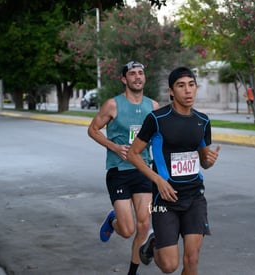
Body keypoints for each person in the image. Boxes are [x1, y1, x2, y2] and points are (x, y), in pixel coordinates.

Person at [127, 67, 220, 275]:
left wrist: (209, 161)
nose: (188, 91)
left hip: (195, 197)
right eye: (181, 86)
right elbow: (133, 154)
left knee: (192, 259)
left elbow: (203, 161)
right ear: (171, 91)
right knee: (169, 266)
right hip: (164, 200)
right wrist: (158, 180)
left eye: (191, 85)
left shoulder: (202, 121)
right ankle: (153, 245)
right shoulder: (157, 119)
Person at [87, 61, 159, 275]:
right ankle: (113, 219)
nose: (137, 77)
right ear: (124, 79)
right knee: (127, 230)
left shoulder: (153, 106)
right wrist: (115, 147)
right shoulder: (113, 105)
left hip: (143, 170)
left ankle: (132, 273)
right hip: (119, 172)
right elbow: (93, 130)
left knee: (144, 226)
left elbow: (159, 139)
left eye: (140, 73)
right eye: (132, 74)